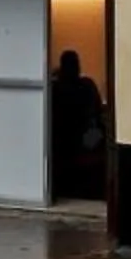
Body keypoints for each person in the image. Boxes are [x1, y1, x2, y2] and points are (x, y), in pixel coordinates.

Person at [51, 48, 107, 201]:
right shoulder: (87, 85)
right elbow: (98, 112)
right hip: (86, 139)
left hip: (61, 142)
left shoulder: (55, 88)